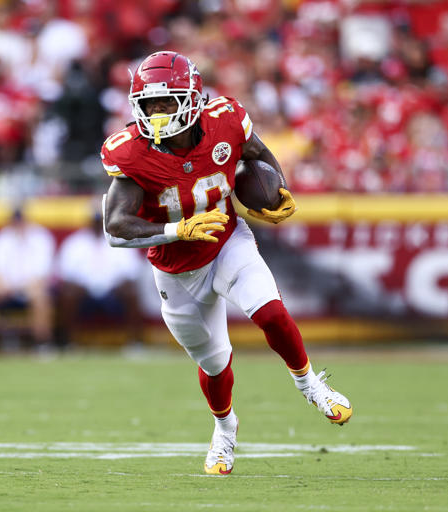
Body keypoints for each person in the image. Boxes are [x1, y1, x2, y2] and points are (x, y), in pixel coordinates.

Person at [101, 51, 352, 475]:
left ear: (193, 97)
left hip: (225, 241)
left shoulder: (226, 120)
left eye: (167, 102)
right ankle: (225, 430)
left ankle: (310, 385)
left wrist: (279, 192)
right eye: (150, 104)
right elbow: (114, 227)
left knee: (270, 311)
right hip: (175, 271)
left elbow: (260, 154)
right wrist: (179, 230)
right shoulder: (131, 152)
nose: (157, 112)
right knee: (214, 362)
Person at [0, 207, 55, 351]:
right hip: (3, 288)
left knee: (40, 294)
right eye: (15, 221)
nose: (18, 225)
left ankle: (42, 342)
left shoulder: (40, 237)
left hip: (31, 288)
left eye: (21, 221)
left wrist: (25, 287)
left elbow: (43, 273)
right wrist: (1, 285)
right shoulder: (0, 239)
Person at [54, 207, 145, 349]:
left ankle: (135, 343)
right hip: (83, 293)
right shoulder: (75, 242)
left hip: (114, 292)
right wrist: (79, 285)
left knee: (131, 292)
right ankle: (68, 342)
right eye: (94, 221)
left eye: (100, 221)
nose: (97, 225)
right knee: (68, 293)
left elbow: (132, 271)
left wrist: (120, 284)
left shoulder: (120, 240)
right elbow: (65, 273)